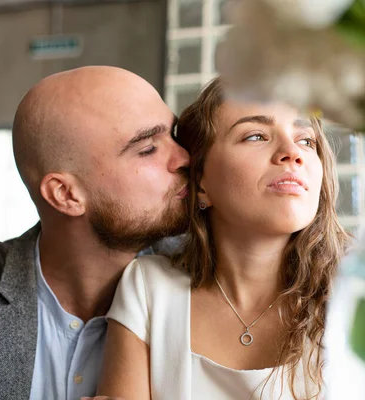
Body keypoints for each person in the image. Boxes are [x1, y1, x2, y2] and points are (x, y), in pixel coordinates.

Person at [96, 77, 349, 399]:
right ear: (201, 183)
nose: (291, 153)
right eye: (256, 136)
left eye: (306, 141)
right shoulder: (148, 288)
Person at [0, 66, 190, 400]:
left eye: (174, 136)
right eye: (148, 148)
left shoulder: (212, 279)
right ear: (65, 194)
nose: (184, 158)